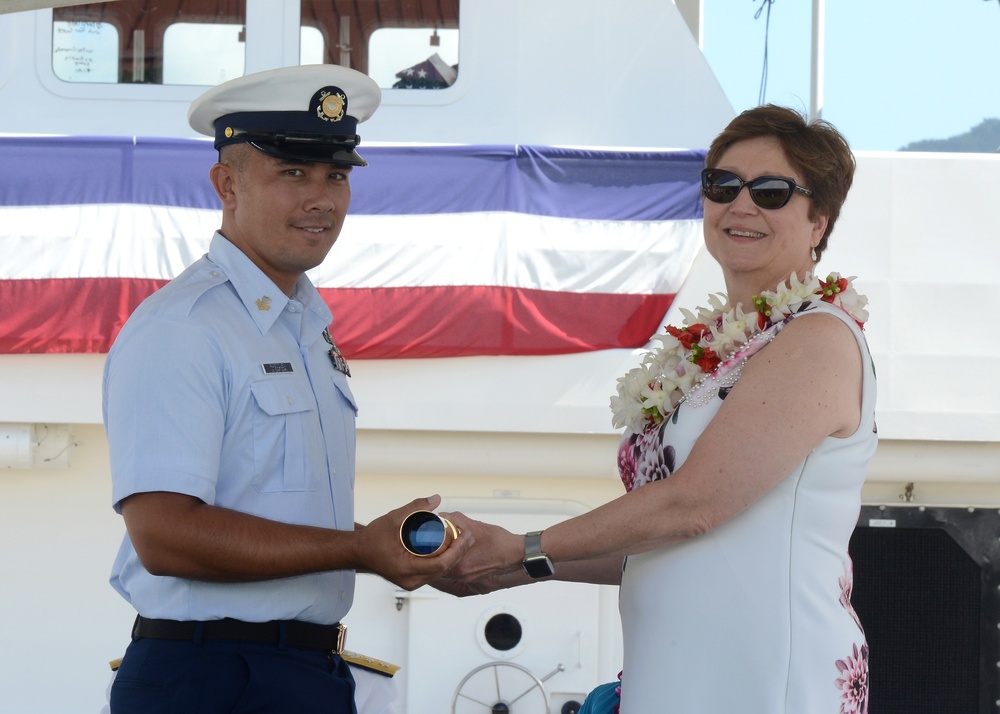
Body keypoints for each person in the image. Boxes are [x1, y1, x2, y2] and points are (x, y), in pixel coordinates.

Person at [438, 104, 875, 713]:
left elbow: (694, 505)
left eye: (772, 192)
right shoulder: (716, 351)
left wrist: (524, 544)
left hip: (766, 677)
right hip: (674, 673)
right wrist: (510, 565)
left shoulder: (817, 338)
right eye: (722, 185)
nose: (741, 205)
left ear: (818, 222)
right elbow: (661, 539)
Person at [103, 64, 471, 714]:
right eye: (292, 173)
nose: (322, 199)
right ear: (227, 183)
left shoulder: (301, 326)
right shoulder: (184, 327)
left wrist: (385, 548)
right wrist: (360, 549)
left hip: (305, 672)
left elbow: (288, 517)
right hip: (207, 677)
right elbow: (164, 535)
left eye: (336, 175)